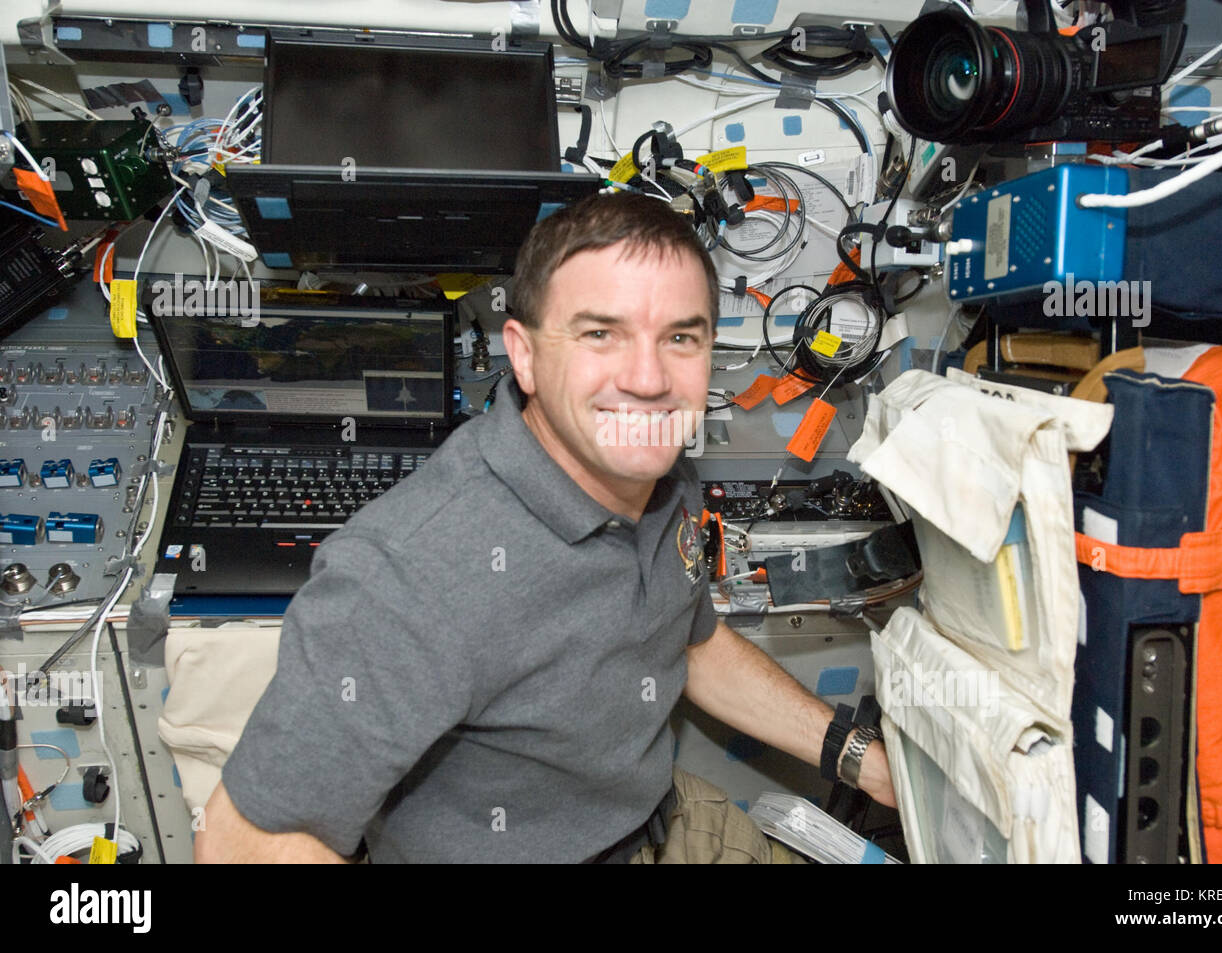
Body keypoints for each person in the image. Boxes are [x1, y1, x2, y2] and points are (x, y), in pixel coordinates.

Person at [195, 193, 894, 863]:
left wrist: (861, 760)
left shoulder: (660, 470)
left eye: (681, 336)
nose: (649, 378)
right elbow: (247, 844)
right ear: (523, 355)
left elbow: (690, 644)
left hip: (664, 821)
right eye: (600, 333)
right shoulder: (412, 574)